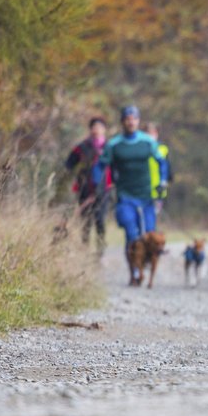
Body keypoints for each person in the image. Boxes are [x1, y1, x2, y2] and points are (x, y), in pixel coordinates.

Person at [97, 105, 169, 283]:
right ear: (123, 121)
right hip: (125, 196)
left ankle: (144, 266)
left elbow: (162, 162)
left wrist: (162, 182)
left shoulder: (148, 142)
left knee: (150, 234)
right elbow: (100, 166)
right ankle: (134, 271)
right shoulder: (114, 144)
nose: (131, 121)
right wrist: (96, 186)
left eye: (134, 118)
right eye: (128, 118)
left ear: (138, 121)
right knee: (131, 233)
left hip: (146, 195)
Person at [63, 116, 109, 252]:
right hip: (85, 189)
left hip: (104, 190)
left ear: (104, 130)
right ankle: (85, 250)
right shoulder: (82, 147)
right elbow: (69, 164)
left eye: (100, 127)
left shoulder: (109, 147)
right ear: (90, 129)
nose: (97, 130)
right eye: (94, 127)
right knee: (86, 222)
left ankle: (100, 252)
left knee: (100, 221)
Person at [144, 122, 171, 217]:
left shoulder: (163, 148)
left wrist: (164, 182)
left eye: (152, 133)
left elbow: (168, 167)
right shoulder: (140, 148)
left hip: (158, 188)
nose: (150, 136)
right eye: (148, 133)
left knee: (154, 215)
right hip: (143, 188)